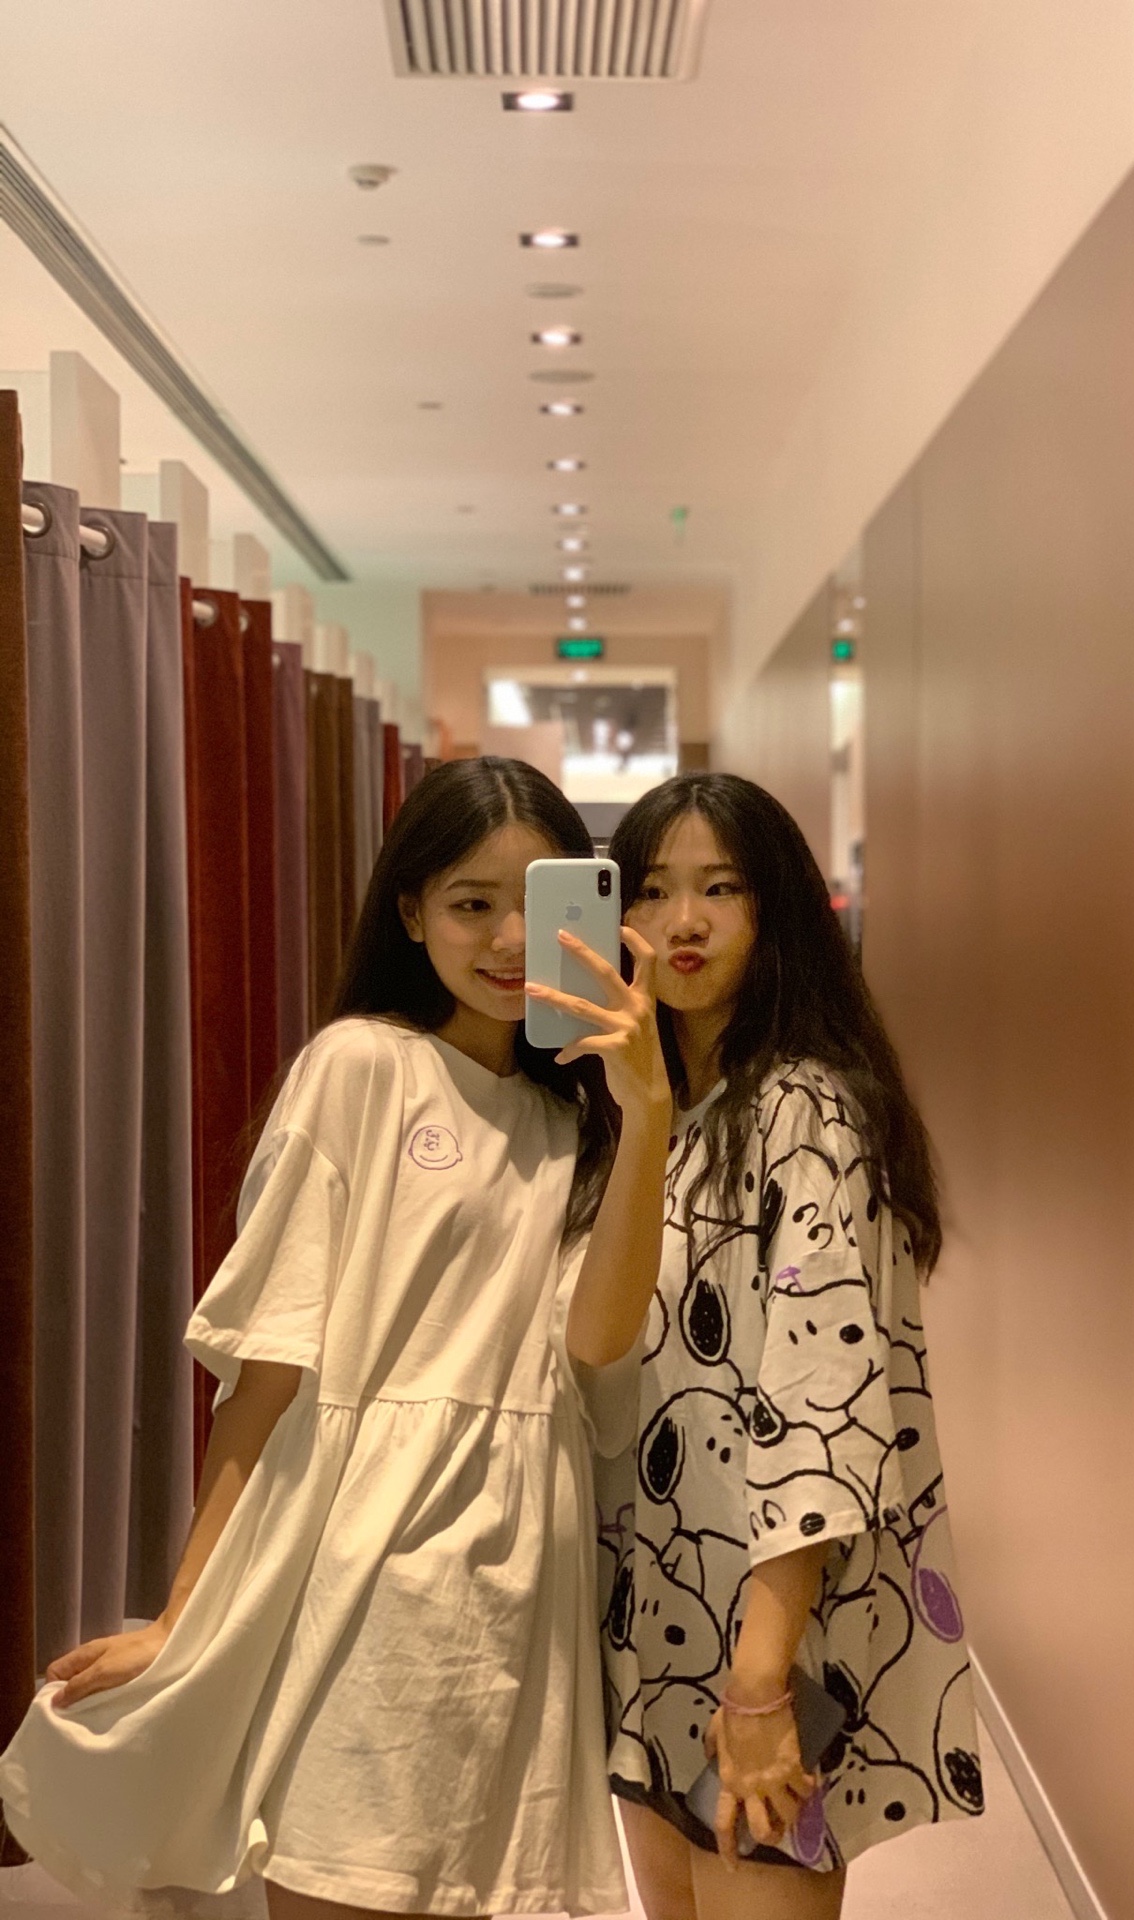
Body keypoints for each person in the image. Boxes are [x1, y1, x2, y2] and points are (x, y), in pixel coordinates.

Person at [0, 757, 672, 1919]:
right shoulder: (362, 1066)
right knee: (336, 1874)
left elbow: (596, 1348)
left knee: (491, 1890)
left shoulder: (581, 1120)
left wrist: (648, 1107)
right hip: (372, 1563)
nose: (509, 939)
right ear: (410, 911)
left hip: (527, 1571)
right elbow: (269, 1368)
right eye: (470, 902)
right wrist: (183, 1614)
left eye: (538, 903)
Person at [595, 772, 983, 1920]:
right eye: (653, 889)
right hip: (656, 1618)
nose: (683, 921)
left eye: (722, 888)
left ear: (777, 912)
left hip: (769, 1634)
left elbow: (822, 1406)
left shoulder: (805, 1111)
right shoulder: (656, 1106)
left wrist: (763, 1681)